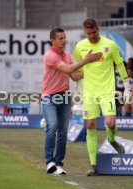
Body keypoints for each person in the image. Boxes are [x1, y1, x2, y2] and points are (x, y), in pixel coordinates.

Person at [74, 18, 132, 176]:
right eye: (88, 34)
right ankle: (93, 165)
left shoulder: (110, 45)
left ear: (98, 29)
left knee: (110, 122)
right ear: (84, 32)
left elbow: (120, 64)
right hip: (89, 92)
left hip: (107, 91)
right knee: (90, 125)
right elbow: (78, 68)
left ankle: (112, 140)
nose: (91, 36)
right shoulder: (80, 47)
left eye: (94, 32)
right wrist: (78, 88)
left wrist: (127, 87)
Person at [41, 27, 102, 175]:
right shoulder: (50, 55)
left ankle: (58, 164)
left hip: (65, 97)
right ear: (53, 40)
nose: (64, 41)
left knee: (63, 133)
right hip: (49, 97)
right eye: (60, 38)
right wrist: (87, 60)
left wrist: (93, 71)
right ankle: (49, 162)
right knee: (52, 126)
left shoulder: (67, 55)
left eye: (64, 38)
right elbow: (68, 69)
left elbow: (74, 76)